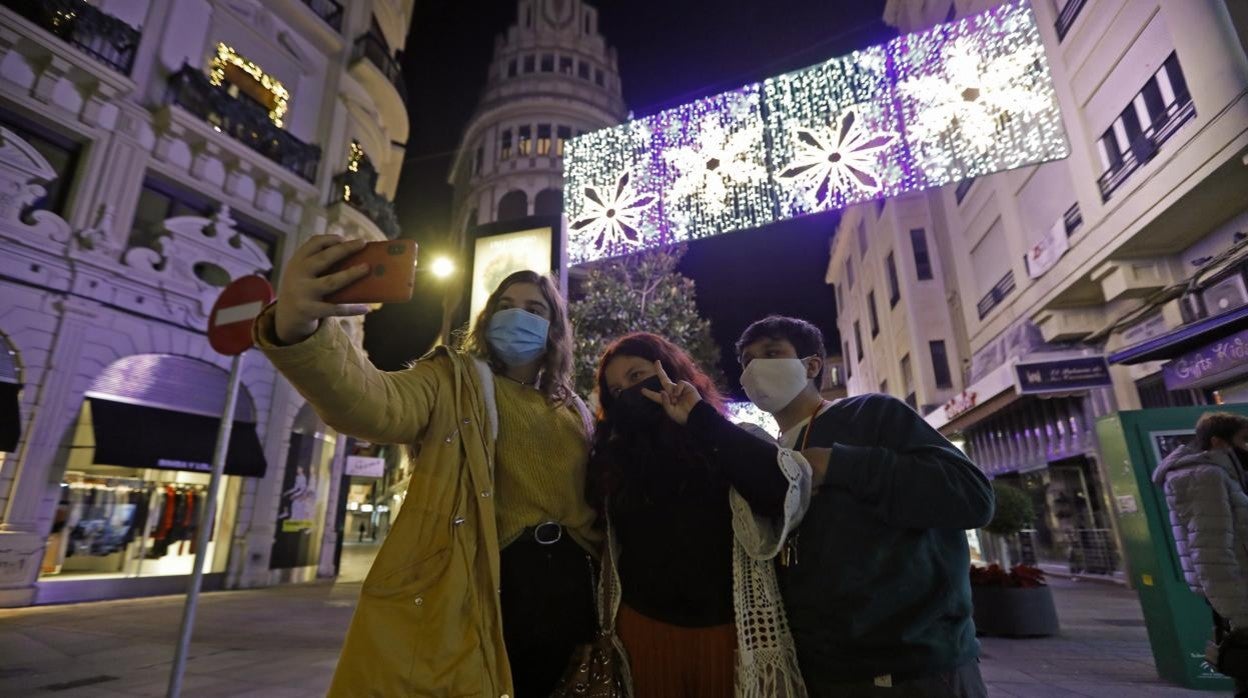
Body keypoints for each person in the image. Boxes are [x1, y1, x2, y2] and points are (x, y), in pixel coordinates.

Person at [253, 235, 599, 697]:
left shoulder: (573, 407)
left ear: (554, 328)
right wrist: (301, 328)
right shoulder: (453, 379)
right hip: (492, 583)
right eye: (507, 305)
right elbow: (374, 402)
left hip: (574, 587)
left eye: (535, 309)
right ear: (488, 316)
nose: (519, 315)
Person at [734, 315, 995, 697]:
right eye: (746, 361)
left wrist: (839, 464)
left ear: (812, 365)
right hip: (824, 671)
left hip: (914, 671)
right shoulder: (774, 454)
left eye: (772, 353)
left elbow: (973, 495)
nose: (756, 368)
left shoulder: (871, 414)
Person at [587, 332, 812, 696]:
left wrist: (698, 418)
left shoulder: (722, 438)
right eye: (615, 391)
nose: (628, 392)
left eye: (636, 375)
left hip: (726, 635)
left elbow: (783, 493)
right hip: (645, 632)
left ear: (671, 371)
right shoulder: (614, 464)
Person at [1152, 412, 1248, 697]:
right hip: (1240, 596)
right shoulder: (1204, 476)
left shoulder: (1225, 474)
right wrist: (1239, 615)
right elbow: (1210, 553)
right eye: (1244, 440)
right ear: (1219, 442)